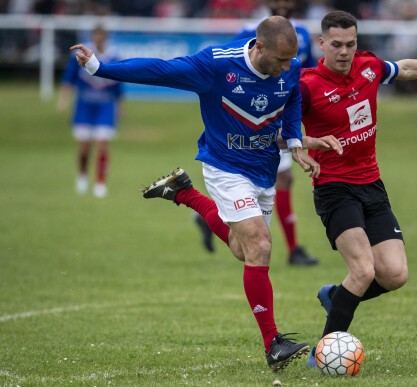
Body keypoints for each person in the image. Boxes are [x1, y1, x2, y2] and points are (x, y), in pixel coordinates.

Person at [70, 16, 342, 371]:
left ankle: (183, 193)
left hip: (264, 170)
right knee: (260, 245)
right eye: (280, 60)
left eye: (291, 60)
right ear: (259, 47)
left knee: (241, 248)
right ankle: (273, 342)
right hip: (225, 168)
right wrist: (99, 67)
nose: (287, 67)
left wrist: (294, 143)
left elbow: (291, 98)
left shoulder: (289, 68)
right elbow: (160, 70)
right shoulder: (216, 65)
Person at [297, 10, 417, 366]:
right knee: (362, 270)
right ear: (322, 44)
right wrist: (306, 144)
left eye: (351, 44)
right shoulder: (307, 84)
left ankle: (337, 295)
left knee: (394, 274)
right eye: (337, 45)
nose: (344, 52)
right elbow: (279, 127)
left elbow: (404, 68)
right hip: (333, 188)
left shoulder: (369, 67)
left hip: (372, 185)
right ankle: (324, 351)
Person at [194, 0, 319, 265]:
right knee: (282, 181)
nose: (283, 4)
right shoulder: (249, 31)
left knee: (248, 245)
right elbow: (234, 67)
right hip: (258, 123)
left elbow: (305, 76)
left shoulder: (302, 33)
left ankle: (214, 214)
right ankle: (293, 248)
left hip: (282, 119)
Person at [58, 25, 123, 198]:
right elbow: (68, 78)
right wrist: (64, 98)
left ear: (106, 37)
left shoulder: (114, 56)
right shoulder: (79, 55)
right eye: (96, 35)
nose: (98, 38)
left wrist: (120, 108)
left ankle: (100, 183)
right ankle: (82, 175)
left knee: (102, 145)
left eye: (101, 35)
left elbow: (118, 86)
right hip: (84, 105)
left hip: (105, 106)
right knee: (84, 146)